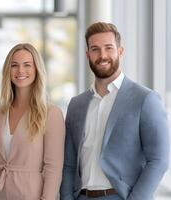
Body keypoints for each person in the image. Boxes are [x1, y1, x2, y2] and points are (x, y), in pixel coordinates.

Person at [60, 22, 169, 200]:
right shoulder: (76, 105)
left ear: (120, 51)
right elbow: (69, 164)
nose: (102, 55)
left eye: (108, 48)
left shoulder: (145, 99)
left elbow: (159, 160)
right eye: (95, 49)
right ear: (87, 55)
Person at [0, 43, 65, 200]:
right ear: (7, 71)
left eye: (27, 65)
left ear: (37, 69)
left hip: (31, 195)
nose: (20, 71)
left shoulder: (51, 114)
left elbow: (53, 167)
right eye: (14, 65)